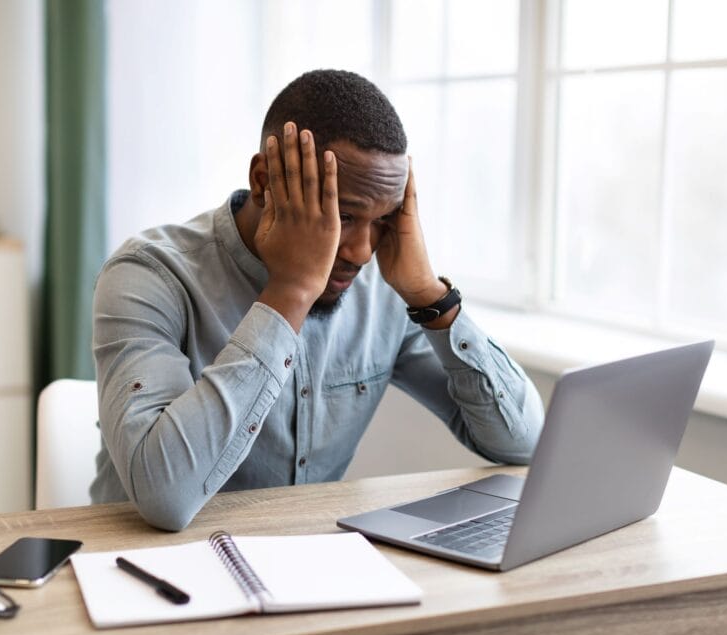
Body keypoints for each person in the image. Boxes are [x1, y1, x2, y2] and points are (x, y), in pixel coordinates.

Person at [90, 69, 544, 530]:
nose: (362, 252)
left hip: (311, 566)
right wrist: (290, 292)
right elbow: (164, 496)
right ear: (264, 181)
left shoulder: (385, 289)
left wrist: (431, 296)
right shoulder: (149, 274)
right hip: (147, 573)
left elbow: (524, 444)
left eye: (384, 219)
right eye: (343, 214)